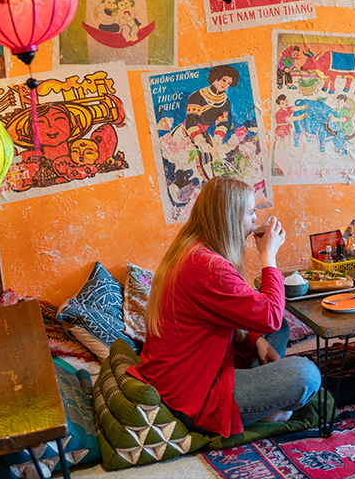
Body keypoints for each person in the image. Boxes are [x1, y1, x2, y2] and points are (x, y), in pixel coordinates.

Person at [134, 177, 320, 437]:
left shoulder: (196, 250)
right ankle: (259, 410)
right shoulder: (208, 267)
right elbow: (270, 316)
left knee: (278, 331)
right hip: (194, 392)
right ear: (230, 218)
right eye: (250, 212)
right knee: (307, 374)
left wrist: (257, 341)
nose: (255, 220)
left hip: (195, 367)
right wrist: (269, 257)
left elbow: (247, 317)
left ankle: (260, 400)